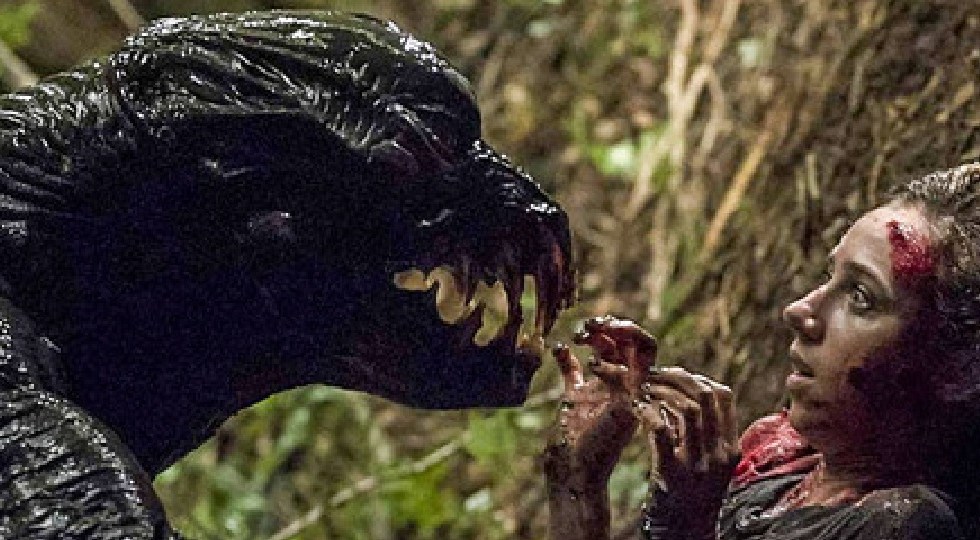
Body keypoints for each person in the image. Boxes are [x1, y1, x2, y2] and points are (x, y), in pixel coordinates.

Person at [544, 163, 980, 539]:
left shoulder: (907, 524)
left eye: (860, 297)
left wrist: (682, 525)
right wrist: (577, 483)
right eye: (830, 276)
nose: (801, 311)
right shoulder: (780, 459)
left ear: (954, 368)